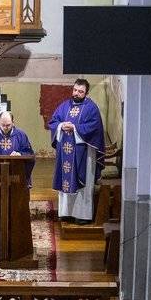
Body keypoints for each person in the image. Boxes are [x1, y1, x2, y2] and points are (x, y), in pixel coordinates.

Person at [49, 77, 105, 222]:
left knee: (83, 185)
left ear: (86, 93)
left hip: (84, 154)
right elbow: (53, 121)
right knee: (65, 181)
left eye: (80, 91)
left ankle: (82, 215)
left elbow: (95, 127)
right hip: (65, 152)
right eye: (75, 90)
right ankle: (66, 213)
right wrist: (61, 126)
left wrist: (74, 128)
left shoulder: (91, 108)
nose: (76, 93)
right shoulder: (64, 106)